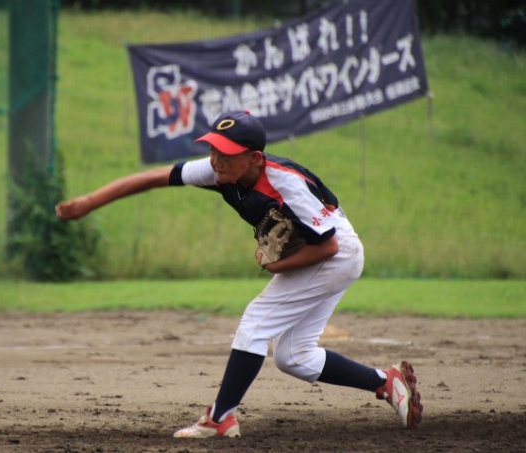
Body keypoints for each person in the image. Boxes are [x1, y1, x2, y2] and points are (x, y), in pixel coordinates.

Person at [55, 110, 422, 438]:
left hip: (335, 255)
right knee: (293, 357)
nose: (216, 159)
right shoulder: (219, 171)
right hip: (327, 253)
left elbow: (328, 246)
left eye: (226, 152)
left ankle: (219, 418)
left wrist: (277, 266)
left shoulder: (286, 185)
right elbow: (156, 177)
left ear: (254, 158)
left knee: (255, 322)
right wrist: (89, 203)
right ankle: (386, 381)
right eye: (213, 148)